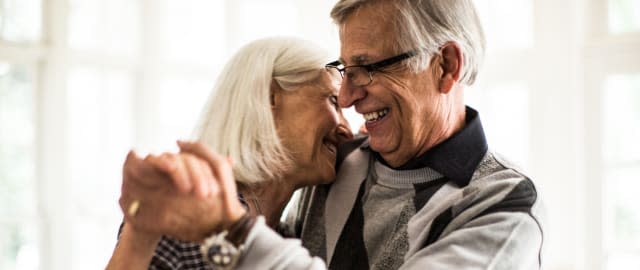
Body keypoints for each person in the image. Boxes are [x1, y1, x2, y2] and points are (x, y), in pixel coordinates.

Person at [113, 0, 546, 269]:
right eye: (344, 71)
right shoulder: (341, 165)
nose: (347, 97)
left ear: (446, 65)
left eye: (369, 67)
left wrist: (232, 235)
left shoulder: (503, 202)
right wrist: (144, 229)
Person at [105, 36, 353, 269]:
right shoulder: (187, 212)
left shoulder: (286, 239)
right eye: (333, 101)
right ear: (269, 97)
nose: (347, 131)